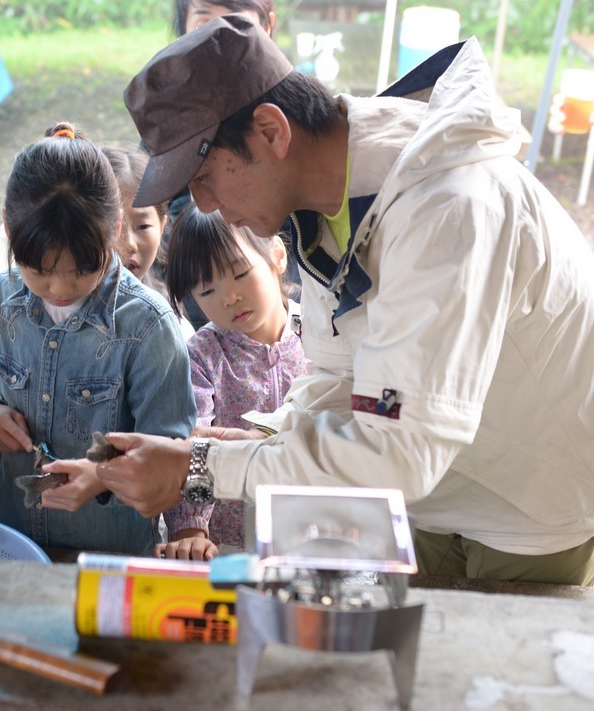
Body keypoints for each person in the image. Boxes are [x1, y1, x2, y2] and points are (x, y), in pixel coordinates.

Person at [97, 15, 594, 585]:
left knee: (478, 668)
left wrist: (203, 466)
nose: (204, 206)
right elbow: (339, 375)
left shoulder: (447, 209)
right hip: (433, 490)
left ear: (271, 130)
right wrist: (272, 431)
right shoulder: (322, 207)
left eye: (205, 176)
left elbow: (398, 447)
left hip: (531, 503)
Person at [0, 121, 196, 556]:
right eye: (41, 272)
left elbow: (170, 448)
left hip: (113, 551)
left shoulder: (146, 326)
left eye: (84, 270)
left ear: (117, 229)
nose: (61, 289)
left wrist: (102, 475)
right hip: (15, 538)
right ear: (9, 232)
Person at [157, 205, 306, 561]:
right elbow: (190, 444)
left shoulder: (320, 333)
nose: (229, 297)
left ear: (278, 257)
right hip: (229, 541)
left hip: (313, 529)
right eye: (207, 292)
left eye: (240, 273)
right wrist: (191, 528)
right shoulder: (201, 357)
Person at [165, 0, 283, 331]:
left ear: (267, 25)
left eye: (231, 23)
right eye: (203, 25)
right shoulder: (169, 125)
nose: (214, 42)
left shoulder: (289, 117)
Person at [101, 145, 194, 339]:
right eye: (113, 227)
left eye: (142, 226)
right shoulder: (57, 308)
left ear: (162, 226)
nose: (129, 245)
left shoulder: (172, 327)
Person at [173, 0, 276, 37]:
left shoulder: (289, 85)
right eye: (202, 27)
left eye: (236, 22)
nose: (218, 38)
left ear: (266, 27)